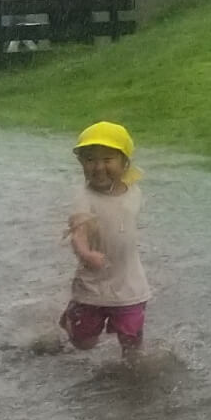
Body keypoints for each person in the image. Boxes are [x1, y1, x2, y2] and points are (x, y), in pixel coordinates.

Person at [59, 121, 150, 357]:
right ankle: (70, 320)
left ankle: (132, 376)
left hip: (130, 283)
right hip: (93, 284)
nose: (98, 167)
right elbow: (78, 233)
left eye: (107, 160)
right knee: (84, 342)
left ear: (125, 162)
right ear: (81, 163)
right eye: (90, 160)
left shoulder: (134, 192)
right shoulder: (84, 198)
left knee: (132, 343)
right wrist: (85, 253)